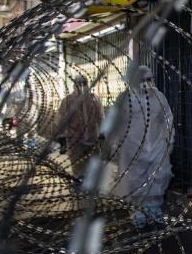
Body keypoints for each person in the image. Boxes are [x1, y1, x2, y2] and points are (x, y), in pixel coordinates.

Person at [108, 65, 174, 228]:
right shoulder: (125, 99)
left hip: (157, 145)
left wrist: (169, 140)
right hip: (132, 148)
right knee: (134, 180)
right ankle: (137, 212)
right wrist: (115, 145)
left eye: (149, 79)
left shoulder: (159, 97)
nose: (146, 83)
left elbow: (168, 119)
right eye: (142, 80)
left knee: (158, 177)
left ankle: (154, 210)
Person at [55, 74, 104, 179]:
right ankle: (79, 190)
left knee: (93, 169)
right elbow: (60, 120)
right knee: (78, 169)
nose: (82, 86)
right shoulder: (67, 101)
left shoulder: (94, 99)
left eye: (84, 84)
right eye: (79, 84)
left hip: (92, 139)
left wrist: (102, 133)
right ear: (74, 85)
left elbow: (100, 117)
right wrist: (62, 138)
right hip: (75, 141)